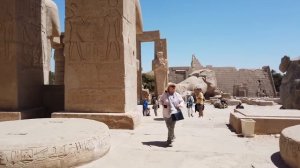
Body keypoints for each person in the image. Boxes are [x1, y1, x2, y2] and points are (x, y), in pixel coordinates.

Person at [160, 83, 184, 147]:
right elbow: (161, 100)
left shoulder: (177, 95)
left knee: (171, 127)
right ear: (168, 88)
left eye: (174, 87)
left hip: (174, 112)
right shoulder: (164, 94)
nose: (173, 88)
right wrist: (163, 104)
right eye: (172, 86)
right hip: (166, 113)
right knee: (168, 127)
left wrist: (180, 105)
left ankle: (169, 141)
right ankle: (172, 135)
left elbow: (182, 101)